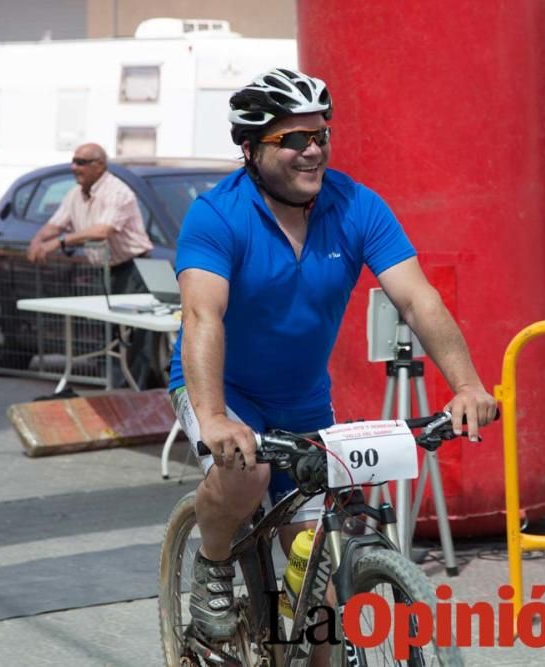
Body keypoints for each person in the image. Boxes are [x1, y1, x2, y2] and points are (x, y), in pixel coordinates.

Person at [167, 68, 498, 649]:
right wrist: (215, 417)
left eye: (321, 134)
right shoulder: (216, 216)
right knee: (248, 473)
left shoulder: (356, 206)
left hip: (303, 400)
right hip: (223, 390)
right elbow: (202, 317)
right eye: (292, 139)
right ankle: (213, 563)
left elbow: (418, 299)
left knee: (319, 601)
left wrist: (468, 385)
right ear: (249, 147)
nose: (312, 149)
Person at [26, 143, 155, 384]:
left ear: (99, 165)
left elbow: (102, 230)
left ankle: (131, 390)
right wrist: (37, 240)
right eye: (74, 161)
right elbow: (56, 223)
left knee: (133, 335)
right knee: (108, 331)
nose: (75, 167)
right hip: (104, 270)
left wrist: (59, 242)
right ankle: (113, 386)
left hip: (132, 268)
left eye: (81, 162)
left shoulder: (117, 192)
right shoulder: (74, 194)